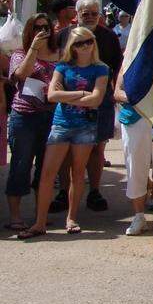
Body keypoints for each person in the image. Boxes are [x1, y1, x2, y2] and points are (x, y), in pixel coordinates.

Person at [20, 26, 109, 238]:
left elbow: (96, 99)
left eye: (88, 41)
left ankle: (72, 217)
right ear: (72, 46)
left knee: (78, 173)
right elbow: (51, 95)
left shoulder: (101, 68)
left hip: (85, 126)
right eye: (79, 43)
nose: (85, 46)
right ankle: (39, 222)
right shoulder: (63, 66)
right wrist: (81, 93)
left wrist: (66, 95)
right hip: (62, 123)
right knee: (47, 174)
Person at [52, 0, 123, 214]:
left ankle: (94, 191)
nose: (90, 17)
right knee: (64, 151)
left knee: (97, 148)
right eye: (86, 13)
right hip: (68, 103)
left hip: (99, 103)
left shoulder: (109, 37)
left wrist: (114, 94)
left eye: (94, 13)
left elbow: (117, 68)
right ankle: (64, 192)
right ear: (77, 14)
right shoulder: (63, 36)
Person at [4, 13, 60, 232]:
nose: (42, 31)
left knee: (46, 169)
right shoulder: (20, 54)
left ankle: (40, 216)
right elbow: (20, 75)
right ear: (30, 30)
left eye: (45, 27)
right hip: (24, 117)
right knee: (20, 165)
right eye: (37, 27)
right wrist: (34, 50)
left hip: (50, 116)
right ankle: (15, 216)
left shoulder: (58, 54)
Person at [113, 72, 153, 235]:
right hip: (133, 120)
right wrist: (137, 98)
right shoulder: (129, 61)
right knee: (135, 168)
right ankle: (139, 216)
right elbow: (117, 92)